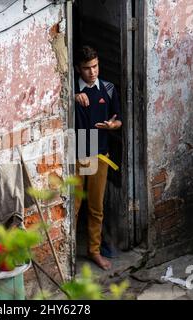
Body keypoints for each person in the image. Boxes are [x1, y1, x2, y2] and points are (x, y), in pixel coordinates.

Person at [74, 45, 122, 271]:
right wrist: (73, 97)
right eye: (86, 68)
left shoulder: (109, 88)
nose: (92, 72)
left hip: (99, 150)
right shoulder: (71, 88)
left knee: (95, 206)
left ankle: (93, 250)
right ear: (77, 69)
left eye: (95, 66)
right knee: (73, 205)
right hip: (77, 148)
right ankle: (68, 253)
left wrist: (113, 125)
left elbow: (118, 119)